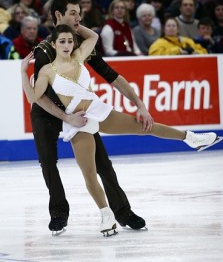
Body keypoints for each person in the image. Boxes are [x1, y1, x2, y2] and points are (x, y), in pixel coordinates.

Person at [21, 24, 221, 233]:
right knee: (89, 173)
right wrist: (23, 73)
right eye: (62, 41)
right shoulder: (47, 71)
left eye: (70, 41)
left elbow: (93, 36)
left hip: (98, 110)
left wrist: (76, 25)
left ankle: (191, 138)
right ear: (53, 44)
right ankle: (106, 215)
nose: (67, 45)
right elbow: (33, 98)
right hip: (78, 122)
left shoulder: (79, 55)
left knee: (143, 127)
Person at [30, 0, 151, 234]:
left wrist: (139, 102)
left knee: (103, 164)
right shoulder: (44, 50)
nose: (79, 17)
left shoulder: (79, 46)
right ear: (58, 15)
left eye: (80, 13)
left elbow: (110, 74)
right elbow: (39, 96)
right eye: (74, 13)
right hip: (47, 113)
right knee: (48, 162)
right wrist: (66, 118)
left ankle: (123, 212)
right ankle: (59, 214)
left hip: (78, 111)